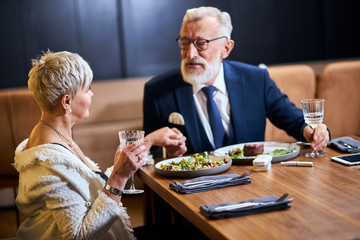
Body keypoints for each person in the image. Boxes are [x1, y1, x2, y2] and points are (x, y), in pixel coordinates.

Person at [14, 50, 186, 239]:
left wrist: (149, 141)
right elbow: (79, 235)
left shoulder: (54, 136)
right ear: (67, 101)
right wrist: (119, 178)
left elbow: (94, 183)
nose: (92, 93)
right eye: (87, 89)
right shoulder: (48, 161)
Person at [143, 6, 330, 156]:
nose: (190, 54)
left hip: (252, 188)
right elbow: (147, 157)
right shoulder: (157, 91)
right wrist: (165, 152)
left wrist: (313, 131)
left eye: (201, 44)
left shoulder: (256, 79)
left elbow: (295, 122)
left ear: (226, 48)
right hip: (188, 193)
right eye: (184, 43)